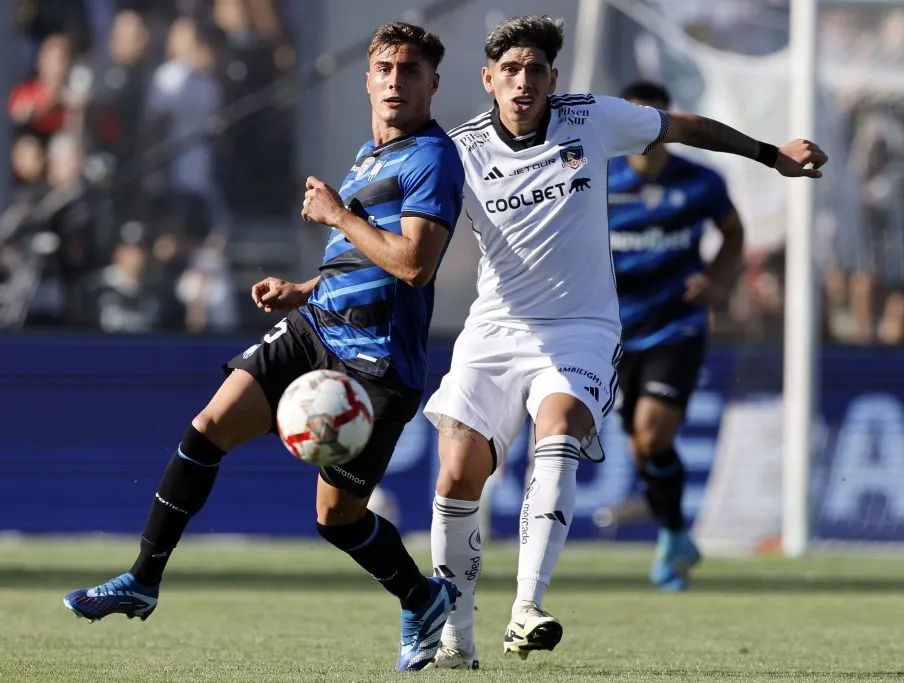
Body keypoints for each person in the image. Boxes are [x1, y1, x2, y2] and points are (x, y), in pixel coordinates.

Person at [422, 14, 827, 669]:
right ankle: (454, 633)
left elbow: (685, 126)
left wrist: (770, 154)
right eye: (511, 71)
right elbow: (402, 218)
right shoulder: (456, 149)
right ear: (488, 79)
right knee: (456, 474)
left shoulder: (591, 119)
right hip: (493, 333)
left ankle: (527, 605)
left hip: (582, 328)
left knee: (558, 434)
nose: (523, 81)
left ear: (553, 78)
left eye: (535, 70)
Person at [62, 22, 465, 672]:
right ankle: (142, 578)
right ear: (368, 79)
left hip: (375, 364)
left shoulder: (434, 159)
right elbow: (358, 262)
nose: (396, 80)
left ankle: (421, 597)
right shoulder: (368, 154)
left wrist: (337, 215)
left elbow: (415, 265)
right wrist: (301, 289)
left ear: (432, 83)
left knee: (337, 519)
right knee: (207, 427)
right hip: (315, 331)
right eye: (385, 68)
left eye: (410, 70)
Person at [607, 80, 745, 591]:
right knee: (643, 448)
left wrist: (716, 277)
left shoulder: (701, 181)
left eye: (656, 122)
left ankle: (668, 538)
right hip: (613, 330)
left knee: (652, 431)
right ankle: (675, 533)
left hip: (676, 325)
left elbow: (733, 232)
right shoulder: (597, 179)